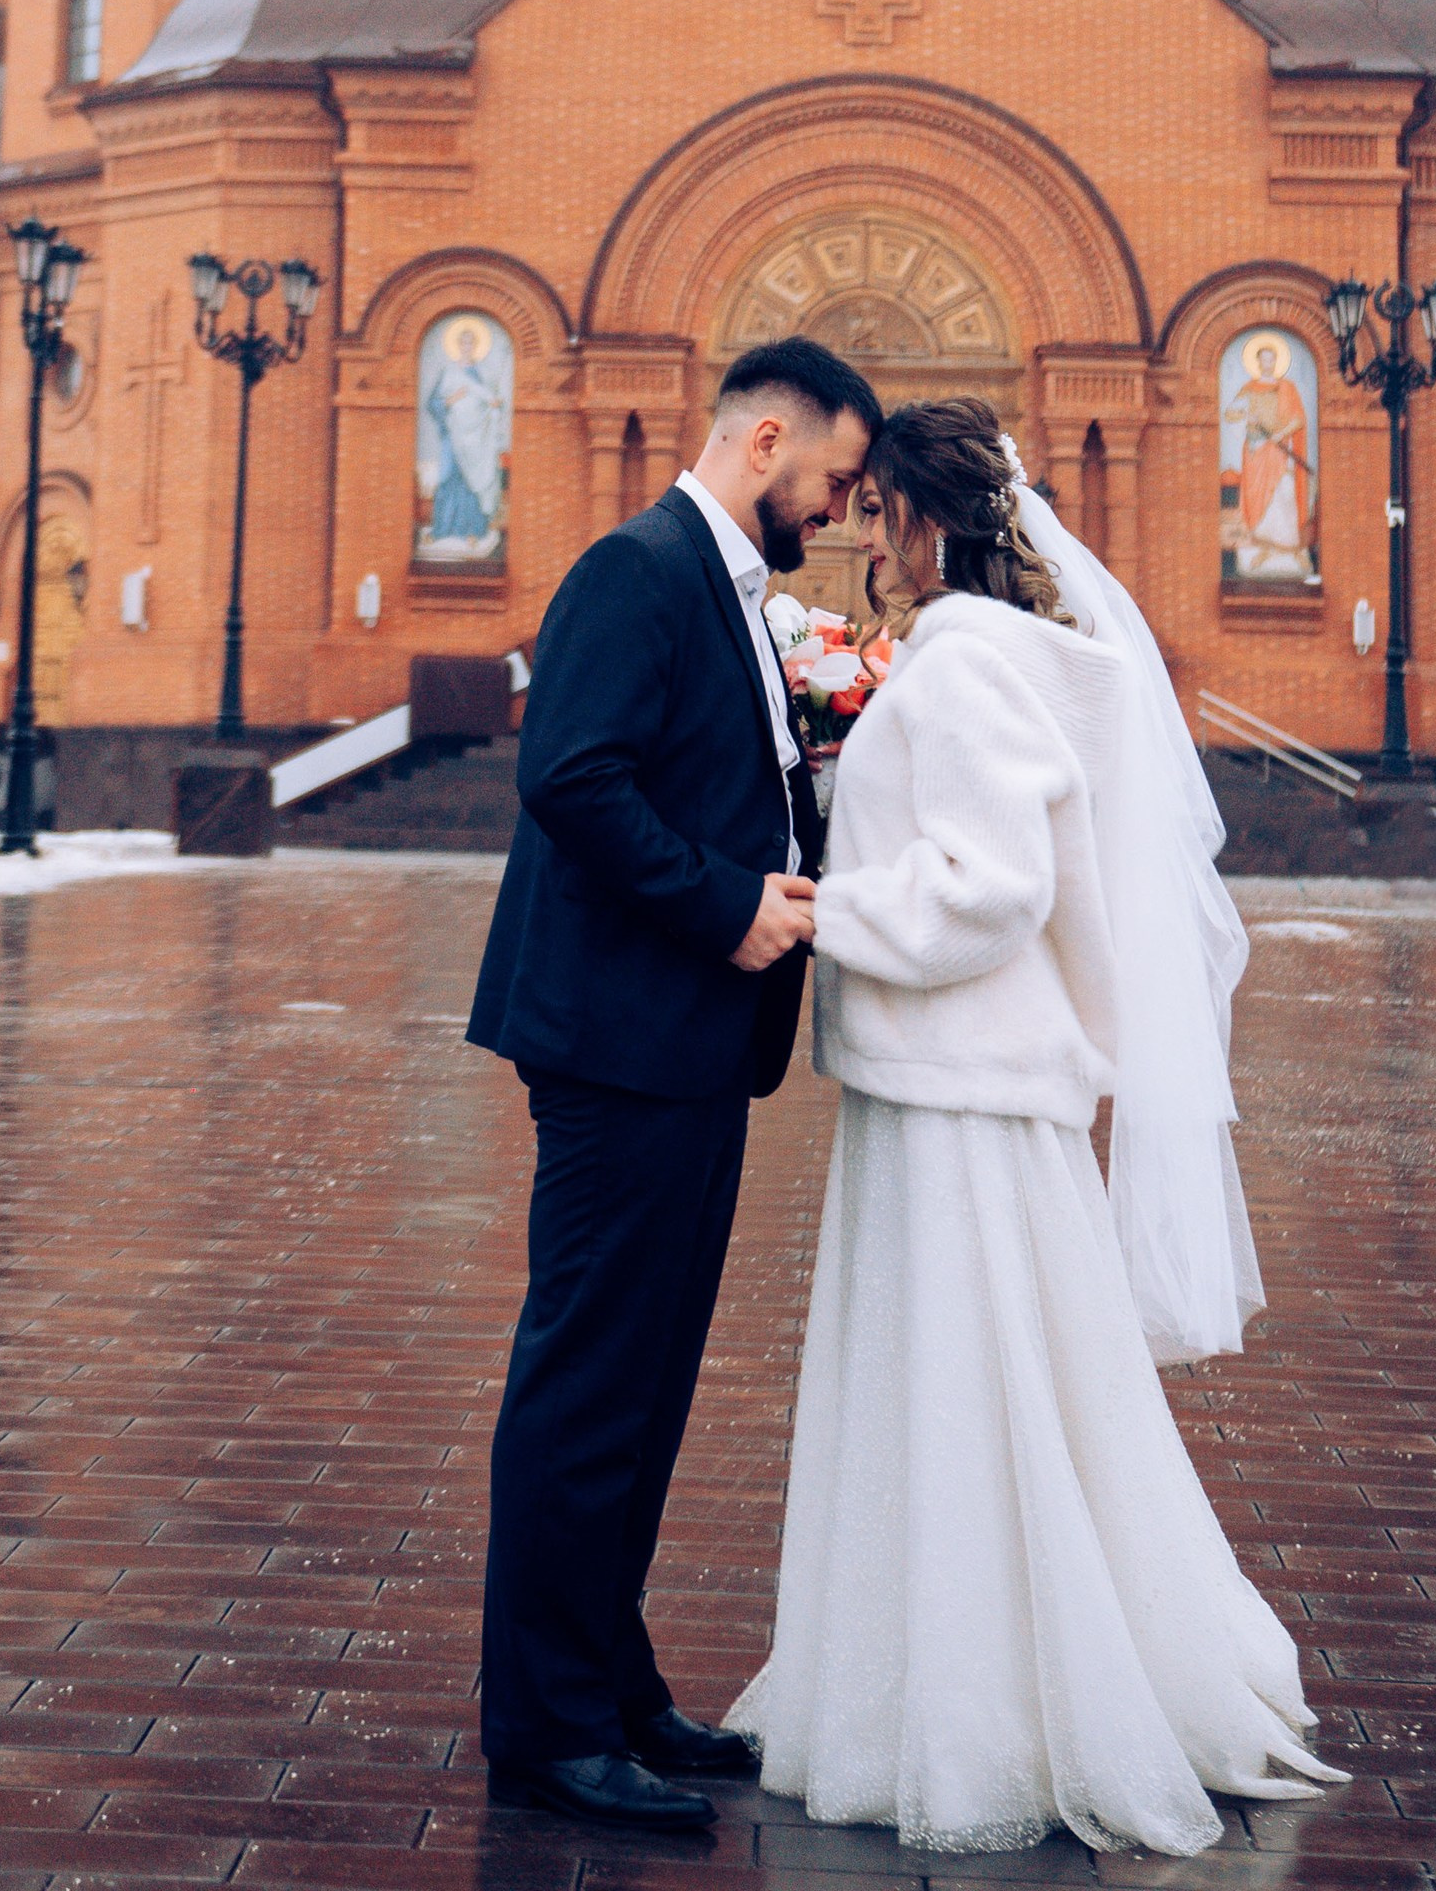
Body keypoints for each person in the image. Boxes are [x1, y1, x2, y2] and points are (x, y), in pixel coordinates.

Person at [732, 397, 1341, 1862]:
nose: (860, 535)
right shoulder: (978, 662)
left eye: (876, 508)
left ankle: (987, 1708)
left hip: (963, 1091)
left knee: (968, 1385)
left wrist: (827, 912)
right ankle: (947, 1675)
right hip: (949, 1083)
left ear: (926, 518)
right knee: (980, 1388)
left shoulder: (969, 671)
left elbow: (989, 887)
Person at [468, 331, 884, 1831]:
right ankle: (545, 1724)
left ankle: (613, 1682)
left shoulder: (723, 588)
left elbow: (704, 772)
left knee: (640, 1387)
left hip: (683, 1045)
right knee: (588, 1381)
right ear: (765, 441)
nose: (838, 509)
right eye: (834, 478)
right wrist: (729, 904)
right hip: (618, 1039)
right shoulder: (638, 568)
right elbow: (570, 778)